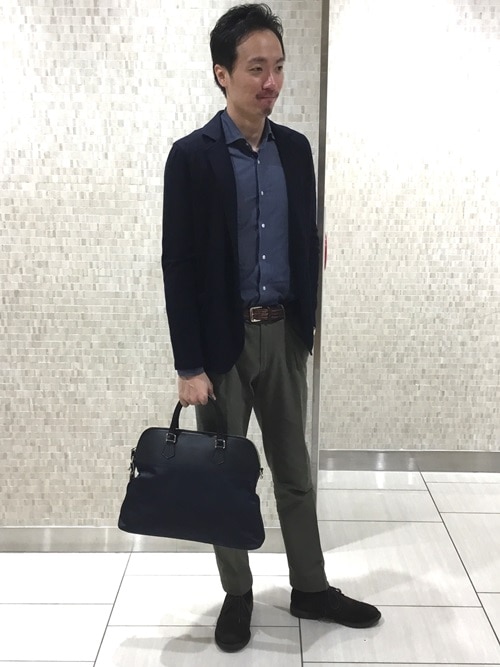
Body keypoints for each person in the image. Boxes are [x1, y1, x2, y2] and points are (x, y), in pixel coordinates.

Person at [162, 3, 381, 652]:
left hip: (283, 336)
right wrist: (189, 365)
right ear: (221, 74)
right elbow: (178, 265)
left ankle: (310, 586)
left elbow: (304, 235)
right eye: (256, 68)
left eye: (278, 67)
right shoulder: (191, 158)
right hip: (221, 348)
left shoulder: (295, 150)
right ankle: (238, 594)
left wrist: (307, 282)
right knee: (226, 478)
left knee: (295, 473)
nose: (272, 82)